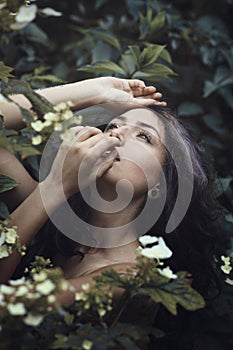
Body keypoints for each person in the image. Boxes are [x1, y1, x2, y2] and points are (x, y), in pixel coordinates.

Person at [0, 76, 230, 348]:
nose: (116, 134)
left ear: (161, 185)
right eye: (113, 126)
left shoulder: (135, 277)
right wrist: (88, 91)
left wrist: (56, 185)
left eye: (144, 136)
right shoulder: (51, 216)